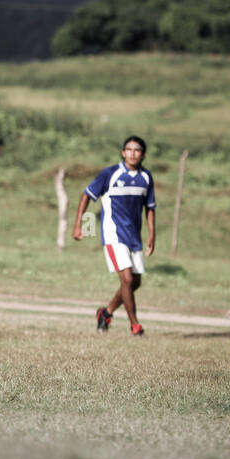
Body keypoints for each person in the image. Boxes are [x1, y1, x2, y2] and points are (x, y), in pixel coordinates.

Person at [73, 135, 155, 336]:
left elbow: (150, 207)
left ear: (143, 154)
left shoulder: (146, 178)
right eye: (129, 149)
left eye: (137, 150)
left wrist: (152, 234)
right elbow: (87, 195)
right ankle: (135, 325)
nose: (132, 153)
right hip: (113, 234)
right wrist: (79, 225)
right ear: (123, 152)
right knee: (126, 280)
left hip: (134, 236)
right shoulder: (110, 174)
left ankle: (106, 312)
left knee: (135, 282)